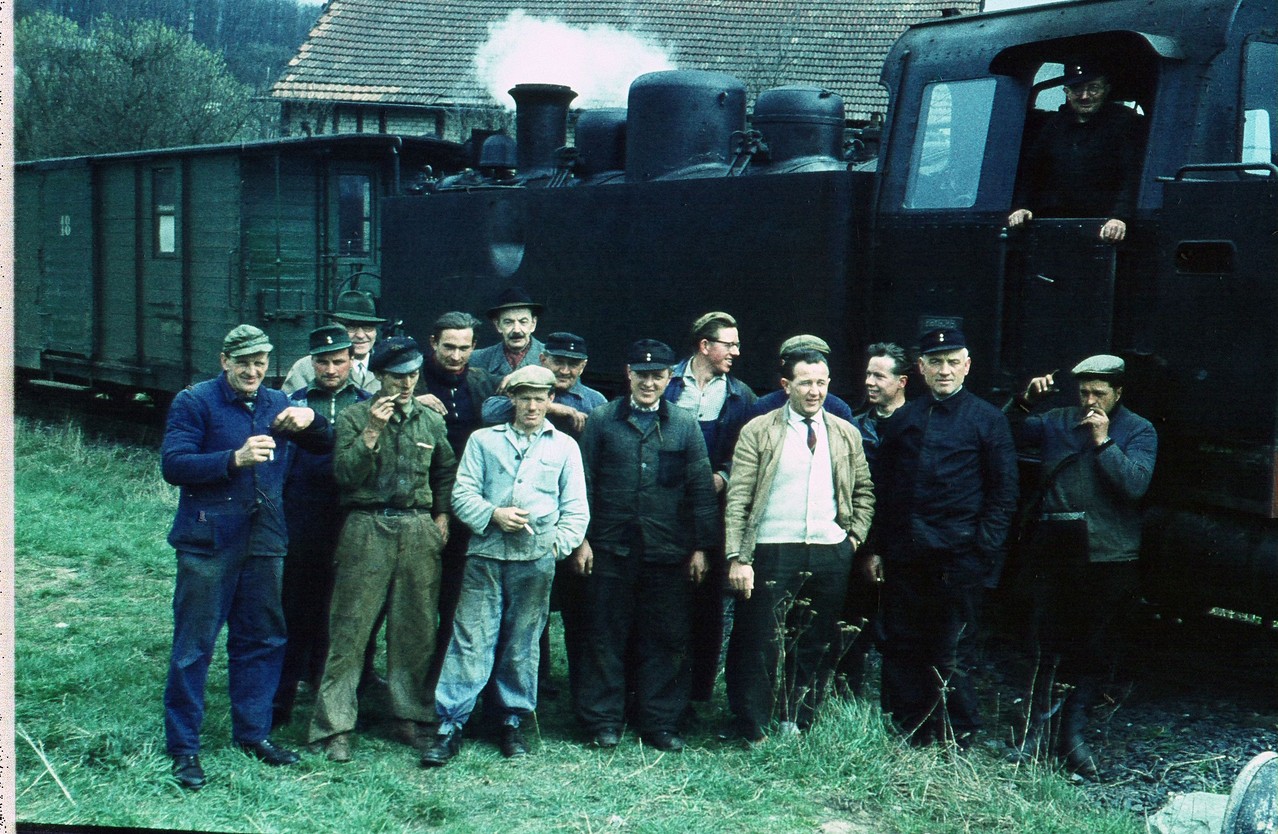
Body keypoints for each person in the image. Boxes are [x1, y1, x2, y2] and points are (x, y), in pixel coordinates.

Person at [161, 324, 332, 790]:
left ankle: (253, 734)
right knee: (195, 646)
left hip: (266, 539)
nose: (253, 371)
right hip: (208, 540)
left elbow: (326, 441)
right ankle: (184, 748)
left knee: (262, 638)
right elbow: (173, 465)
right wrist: (232, 459)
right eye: (244, 363)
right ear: (225, 361)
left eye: (261, 363)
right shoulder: (195, 401)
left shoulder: (279, 402)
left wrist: (312, 422)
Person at [420, 364, 589, 765]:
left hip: (535, 560)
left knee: (522, 642)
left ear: (552, 400)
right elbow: (461, 495)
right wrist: (493, 515)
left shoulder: (564, 447)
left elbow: (576, 509)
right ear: (511, 399)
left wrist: (555, 547)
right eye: (524, 397)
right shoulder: (483, 441)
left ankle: (510, 720)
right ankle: (451, 723)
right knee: (471, 638)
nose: (532, 406)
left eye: (540, 398)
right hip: (485, 556)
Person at [306, 336, 457, 762]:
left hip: (416, 528)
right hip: (367, 526)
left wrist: (441, 516)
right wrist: (372, 430)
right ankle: (333, 726)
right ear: (378, 377)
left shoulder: (429, 420)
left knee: (416, 628)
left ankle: (409, 715)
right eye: (396, 377)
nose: (406, 384)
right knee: (350, 628)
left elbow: (446, 469)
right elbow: (345, 476)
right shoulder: (355, 417)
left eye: (412, 375)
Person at [1006, 354, 1156, 778]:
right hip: (1056, 551)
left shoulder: (1139, 430)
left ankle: (1073, 737)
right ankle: (1037, 731)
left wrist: (1103, 442)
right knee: (1045, 642)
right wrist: (1022, 401)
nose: (1090, 400)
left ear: (1119, 393)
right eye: (1084, 391)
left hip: (1110, 556)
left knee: (1092, 650)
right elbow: (1006, 434)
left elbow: (1135, 485)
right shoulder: (1056, 419)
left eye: (1099, 393)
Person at [869, 328, 1019, 747]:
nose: (945, 370)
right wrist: (879, 548)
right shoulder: (904, 420)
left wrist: (982, 549)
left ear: (967, 366)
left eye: (953, 362)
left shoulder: (988, 420)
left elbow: (1004, 492)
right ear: (920, 369)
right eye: (936, 362)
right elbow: (884, 489)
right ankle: (907, 726)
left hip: (959, 556)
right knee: (902, 643)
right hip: (907, 554)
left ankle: (958, 733)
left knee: (953, 649)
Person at [573, 339, 719, 751]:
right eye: (642, 374)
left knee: (667, 638)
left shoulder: (684, 424)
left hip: (668, 551)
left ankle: (660, 722)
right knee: (604, 634)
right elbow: (581, 482)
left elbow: (700, 490)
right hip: (609, 547)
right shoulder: (602, 420)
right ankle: (603, 719)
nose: (649, 382)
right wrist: (581, 539)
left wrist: (702, 547)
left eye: (657, 375)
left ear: (669, 377)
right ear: (629, 374)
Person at [723, 348, 875, 742]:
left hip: (829, 550)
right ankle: (752, 724)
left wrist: (852, 536)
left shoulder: (845, 432)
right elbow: (738, 498)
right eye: (806, 382)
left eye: (822, 383)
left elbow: (864, 490)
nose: (815, 391)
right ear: (786, 386)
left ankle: (797, 719)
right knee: (760, 640)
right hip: (773, 548)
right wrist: (739, 557)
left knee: (814, 639)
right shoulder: (760, 430)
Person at [480, 331, 606, 707]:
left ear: (583, 366)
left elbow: (596, 472)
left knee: (578, 612)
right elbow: (489, 411)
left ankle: (577, 694)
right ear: (544, 360)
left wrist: (583, 538)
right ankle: (529, 689)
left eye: (574, 363)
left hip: (573, 520)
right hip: (522, 528)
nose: (565, 369)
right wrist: (552, 406)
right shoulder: (522, 392)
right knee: (525, 616)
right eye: (558, 361)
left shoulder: (596, 403)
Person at [273, 324, 373, 728]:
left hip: (350, 514)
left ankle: (339, 692)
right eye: (323, 362)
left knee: (347, 606)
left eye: (338, 361)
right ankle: (281, 696)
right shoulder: (291, 402)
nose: (331, 369)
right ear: (311, 363)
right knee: (297, 605)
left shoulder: (368, 403)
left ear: (352, 360)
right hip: (304, 515)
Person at [665, 310, 758, 705]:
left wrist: (725, 473)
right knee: (665, 601)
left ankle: (698, 694)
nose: (736, 351)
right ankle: (658, 690)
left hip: (716, 513)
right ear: (705, 346)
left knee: (706, 606)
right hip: (665, 508)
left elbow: (751, 451)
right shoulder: (665, 382)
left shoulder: (742, 396)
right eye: (729, 344)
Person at [417, 310, 502, 691]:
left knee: (455, 598)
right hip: (418, 500)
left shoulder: (482, 381)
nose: (456, 356)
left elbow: (520, 402)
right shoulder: (412, 379)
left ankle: (440, 680)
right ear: (433, 343)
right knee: (413, 600)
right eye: (448, 347)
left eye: (465, 348)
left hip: (468, 504)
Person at [837, 341, 911, 697]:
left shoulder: (918, 425)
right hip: (861, 539)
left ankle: (897, 705)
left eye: (879, 375)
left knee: (901, 630)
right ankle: (847, 698)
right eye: (868, 373)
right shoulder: (853, 427)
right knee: (852, 624)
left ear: (902, 382)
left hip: (904, 543)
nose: (870, 382)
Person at [1007, 58, 1145, 243]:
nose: (1085, 96)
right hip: (1056, 222)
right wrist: (1022, 206)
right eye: (1078, 89)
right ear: (1067, 92)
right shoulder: (1054, 126)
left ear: (1106, 89)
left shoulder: (1124, 123)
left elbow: (1132, 174)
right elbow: (1033, 171)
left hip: (1104, 224)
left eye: (1093, 88)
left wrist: (1120, 217)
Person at [282, 290, 386, 394]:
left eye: (368, 327)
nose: (360, 335)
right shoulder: (306, 368)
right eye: (351, 327)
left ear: (376, 332)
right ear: (335, 326)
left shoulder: (386, 367)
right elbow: (291, 407)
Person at [748, 335, 855, 422]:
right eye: (796, 358)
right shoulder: (764, 407)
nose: (814, 392)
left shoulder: (838, 409)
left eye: (814, 356)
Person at [468, 286, 547, 377]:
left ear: (533, 324)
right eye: (508, 322)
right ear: (498, 325)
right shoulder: (476, 360)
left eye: (523, 322)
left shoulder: (552, 358)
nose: (516, 330)